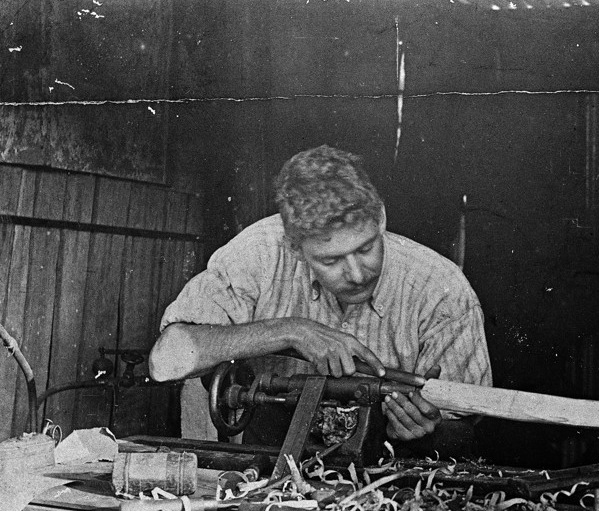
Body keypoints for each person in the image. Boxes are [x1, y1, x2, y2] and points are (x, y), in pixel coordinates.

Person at [149, 145, 492, 455]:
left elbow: (470, 431)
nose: (357, 274)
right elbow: (166, 361)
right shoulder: (259, 252)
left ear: (381, 218)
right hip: (270, 467)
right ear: (295, 247)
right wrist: (291, 332)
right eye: (331, 261)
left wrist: (423, 426)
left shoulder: (442, 289)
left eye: (366, 248)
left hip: (392, 475)